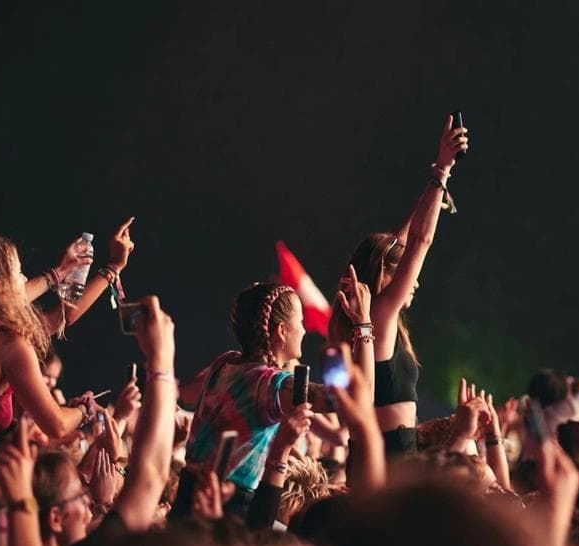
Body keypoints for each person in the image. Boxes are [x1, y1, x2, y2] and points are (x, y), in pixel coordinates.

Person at [328, 113, 469, 456]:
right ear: (382, 275)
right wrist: (441, 170)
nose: (415, 281)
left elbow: (403, 239)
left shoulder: (374, 320)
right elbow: (419, 243)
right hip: (390, 458)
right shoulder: (379, 316)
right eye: (403, 270)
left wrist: (433, 189)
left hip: (388, 452)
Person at [181, 282, 369, 517]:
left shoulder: (224, 362)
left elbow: (185, 393)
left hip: (187, 494)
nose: (304, 329)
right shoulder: (271, 385)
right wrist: (363, 327)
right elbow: (356, 397)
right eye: (300, 322)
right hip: (229, 507)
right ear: (281, 331)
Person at [0, 220, 135, 460]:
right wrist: (85, 410)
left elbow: (64, 317)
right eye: (17, 272)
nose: (25, 278)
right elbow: (56, 424)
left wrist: (110, 268)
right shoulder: (11, 344)